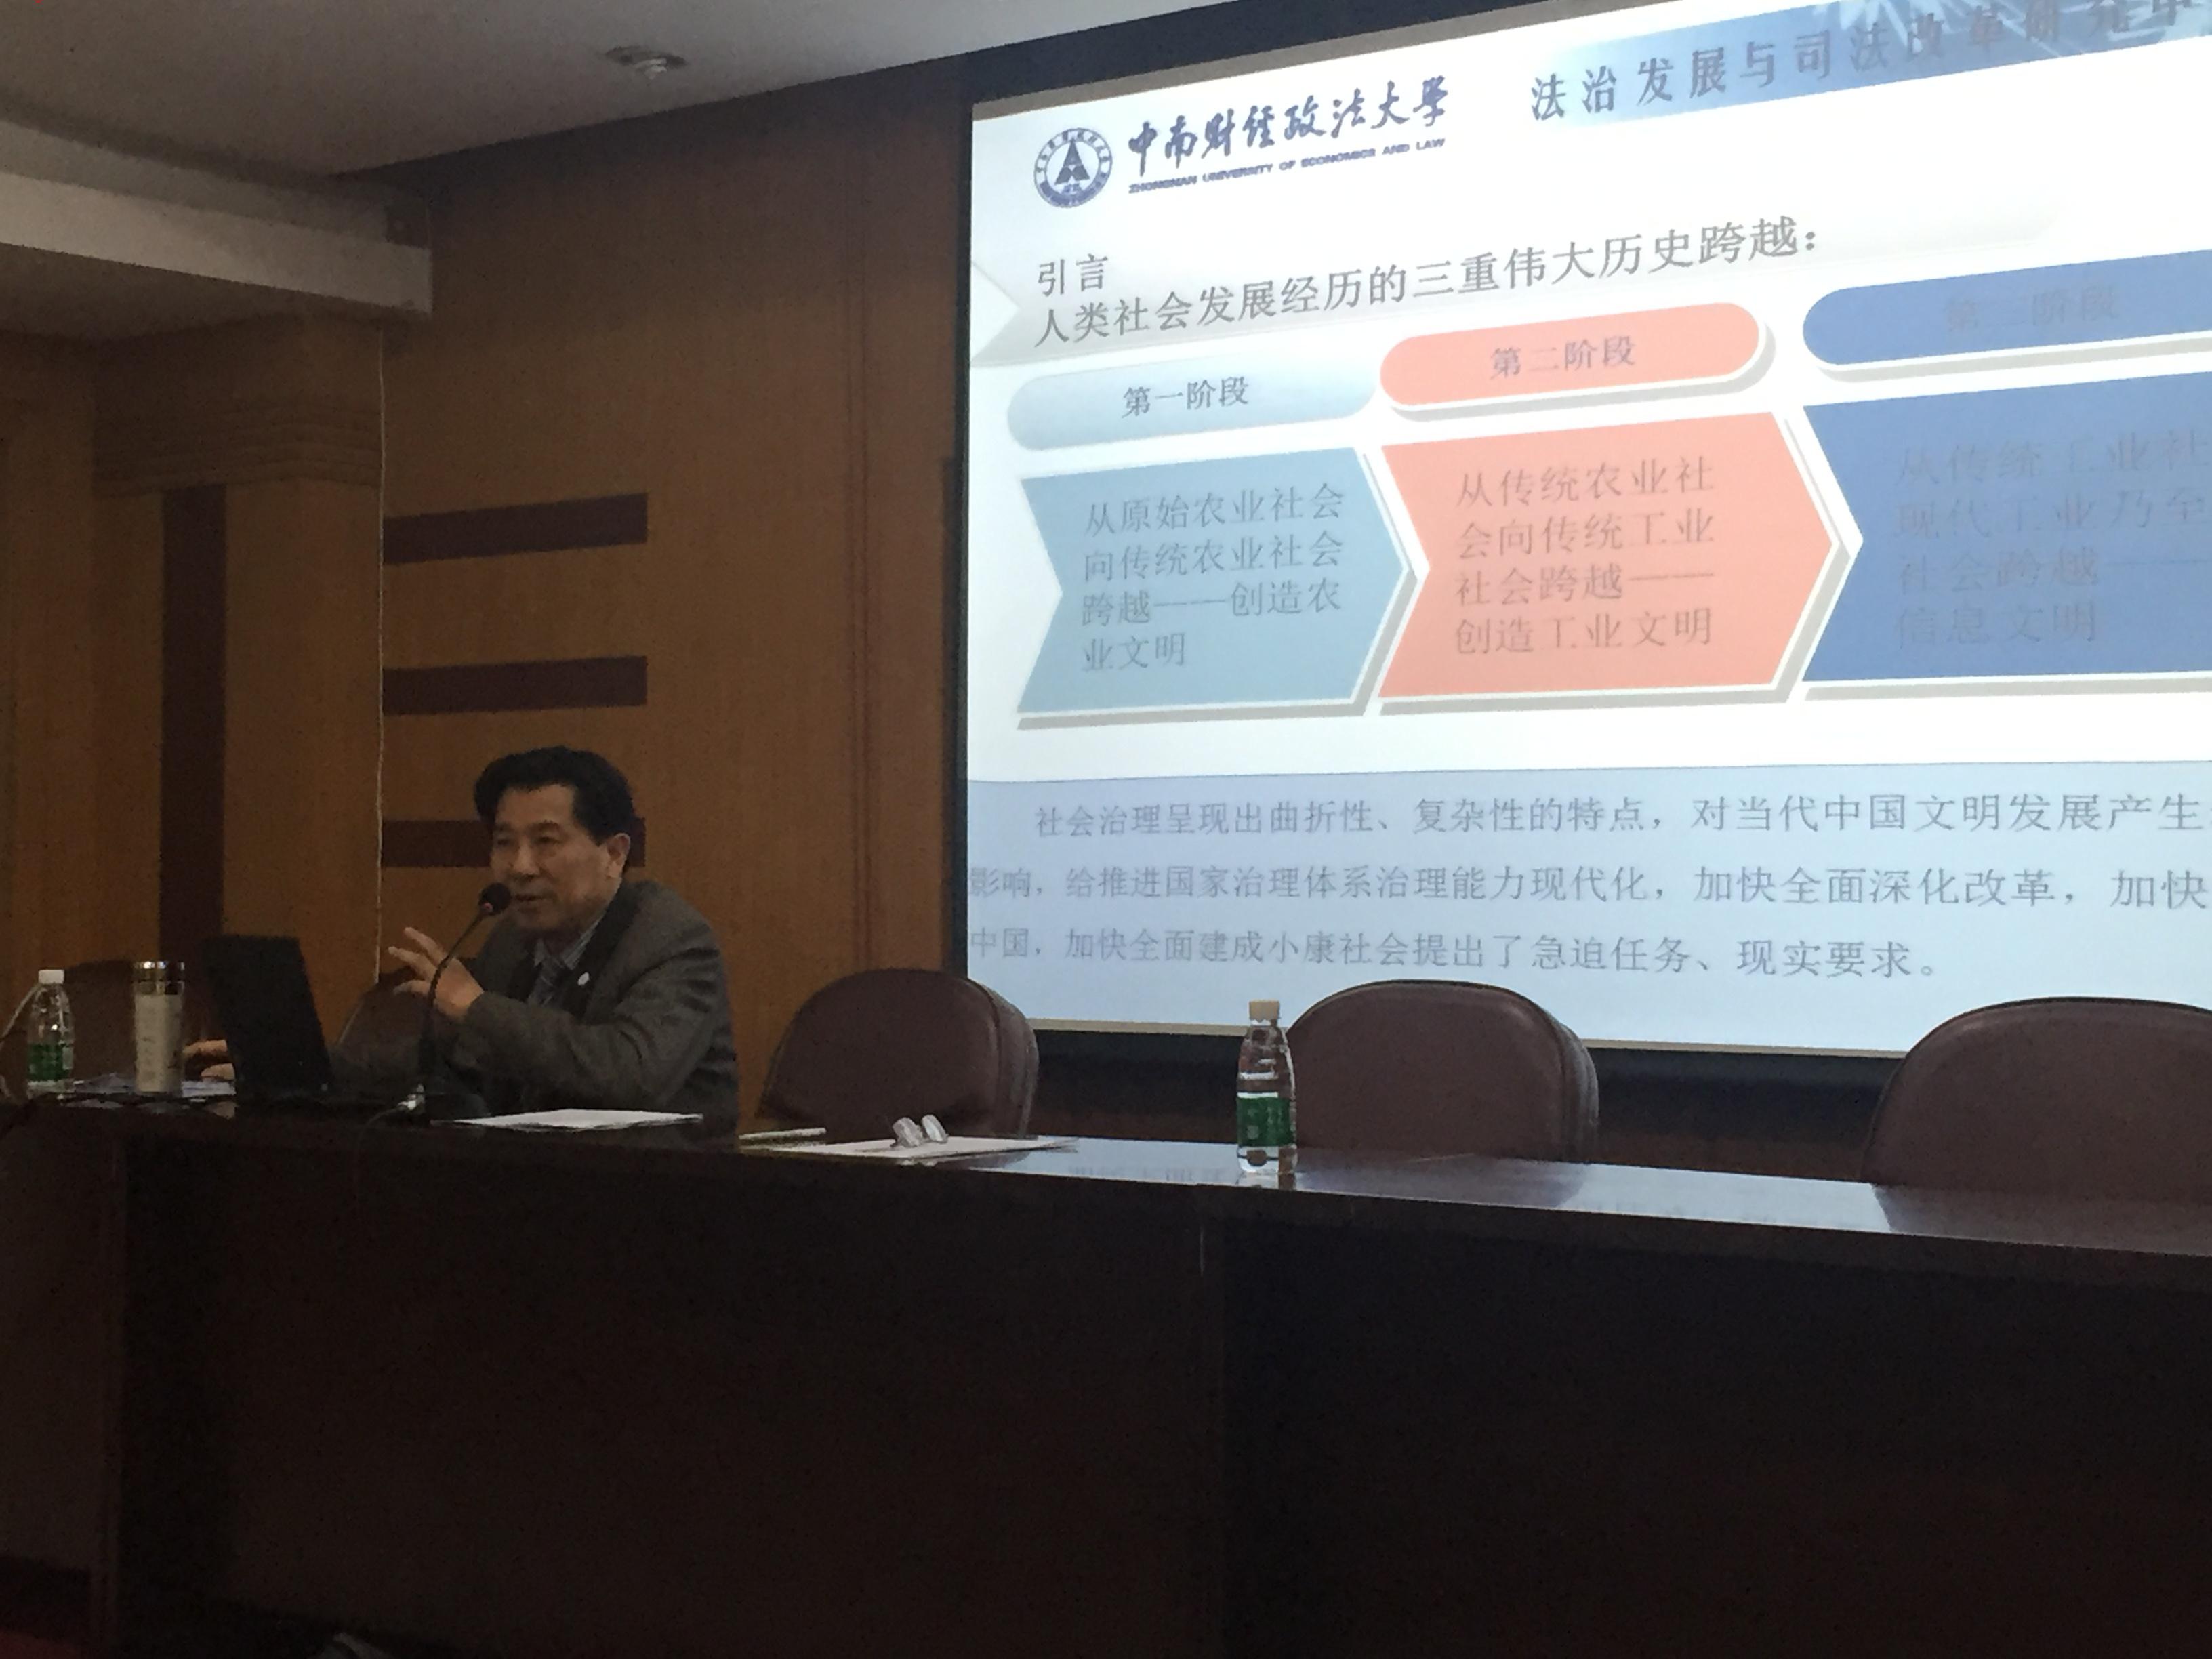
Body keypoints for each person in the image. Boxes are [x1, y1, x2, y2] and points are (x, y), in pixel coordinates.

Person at [193, 746, 739, 1124]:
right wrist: (290, 1066)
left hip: (665, 1202)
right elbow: (435, 1066)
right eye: (504, 842)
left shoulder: (670, 940)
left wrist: (477, 1008)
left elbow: (632, 1074)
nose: (519, 867)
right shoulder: (512, 943)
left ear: (614, 854)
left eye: (546, 842)